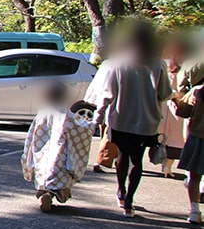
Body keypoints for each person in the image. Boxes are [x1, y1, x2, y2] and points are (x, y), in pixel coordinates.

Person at [92, 22, 173, 217]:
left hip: (121, 119)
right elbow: (165, 93)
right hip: (147, 121)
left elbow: (107, 93)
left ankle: (121, 191)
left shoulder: (119, 62)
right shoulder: (158, 63)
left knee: (122, 156)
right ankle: (129, 201)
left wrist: (97, 116)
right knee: (137, 160)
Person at [22, 82, 97, 212]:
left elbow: (31, 134)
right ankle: (50, 195)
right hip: (60, 154)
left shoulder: (41, 114)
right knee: (57, 178)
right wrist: (94, 123)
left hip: (42, 152)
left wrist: (28, 154)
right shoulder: (67, 116)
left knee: (43, 174)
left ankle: (43, 193)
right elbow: (82, 129)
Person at [173, 84, 204, 223]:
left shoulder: (198, 91)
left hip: (198, 137)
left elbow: (182, 111)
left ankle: (194, 210)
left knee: (194, 177)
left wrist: (175, 99)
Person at [159, 38, 189, 178]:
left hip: (165, 105)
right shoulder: (185, 65)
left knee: (164, 136)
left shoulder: (163, 64)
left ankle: (164, 164)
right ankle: (167, 166)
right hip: (179, 105)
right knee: (176, 139)